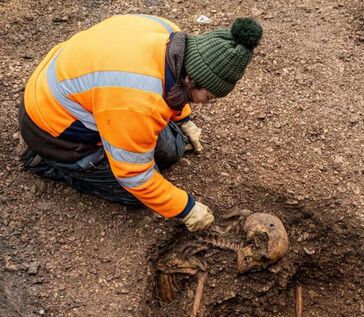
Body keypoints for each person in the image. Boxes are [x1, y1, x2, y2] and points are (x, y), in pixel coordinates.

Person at [18, 14, 263, 231]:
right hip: (53, 131)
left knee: (173, 150)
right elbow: (134, 176)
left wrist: (184, 118)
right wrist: (185, 207)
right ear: (191, 79)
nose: (205, 104)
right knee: (137, 194)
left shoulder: (168, 35)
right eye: (208, 97)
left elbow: (170, 84)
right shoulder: (135, 100)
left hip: (78, 92)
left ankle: (112, 142)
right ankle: (48, 163)